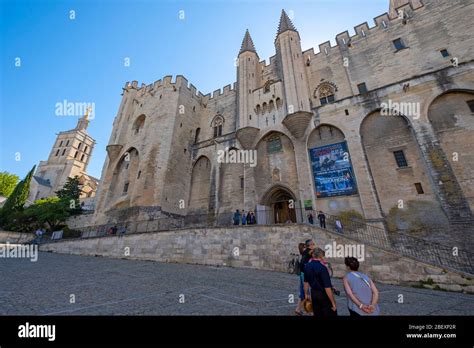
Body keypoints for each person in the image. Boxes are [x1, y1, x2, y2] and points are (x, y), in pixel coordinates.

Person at [304, 248, 338, 317]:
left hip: (313, 293)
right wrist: (333, 302)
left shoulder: (307, 266)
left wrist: (306, 295)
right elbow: (327, 288)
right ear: (321, 256)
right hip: (323, 295)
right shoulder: (322, 268)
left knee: (317, 313)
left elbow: (306, 283)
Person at [295, 242, 307, 315]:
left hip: (302, 274)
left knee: (302, 292)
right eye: (305, 247)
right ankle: (307, 310)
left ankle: (298, 309)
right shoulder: (304, 256)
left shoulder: (302, 255)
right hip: (304, 275)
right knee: (306, 292)